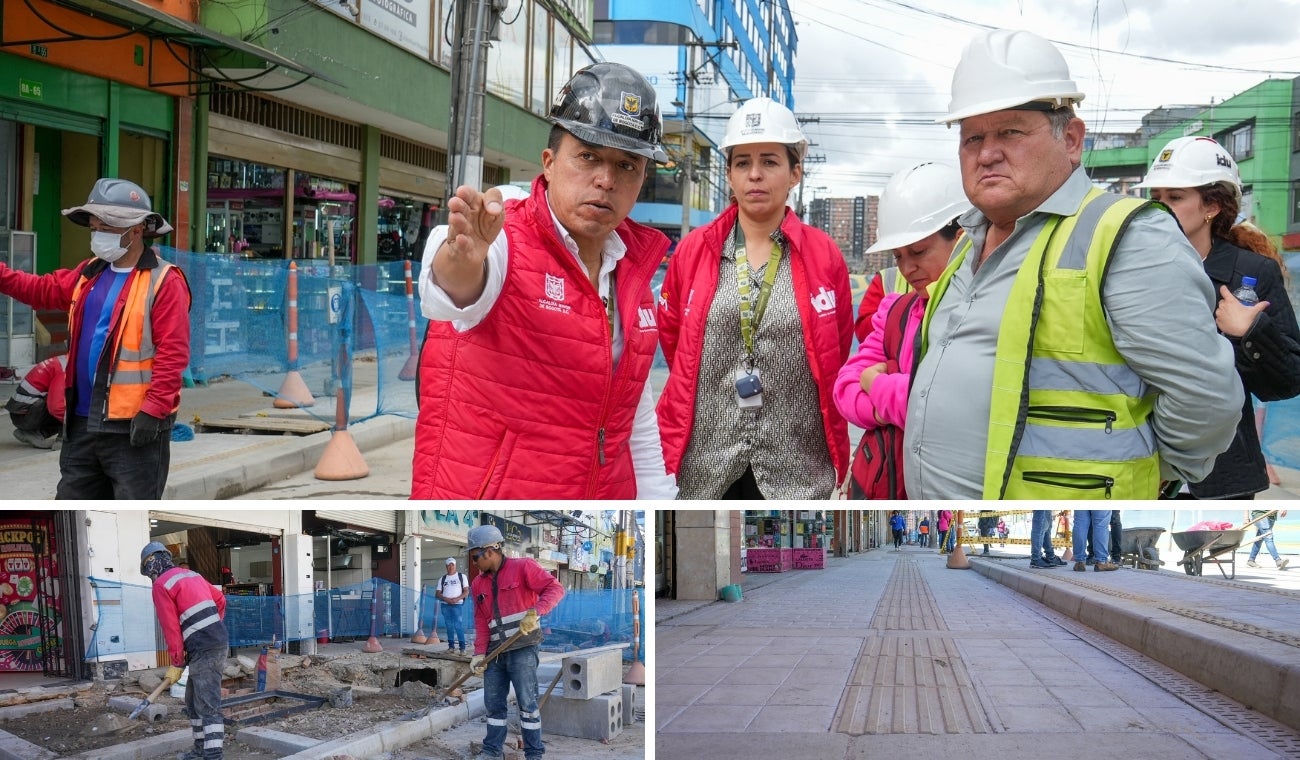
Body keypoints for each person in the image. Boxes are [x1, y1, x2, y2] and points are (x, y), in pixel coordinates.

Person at [904, 29, 1241, 500]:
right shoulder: (968, 241)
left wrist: (1156, 472)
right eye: (972, 137)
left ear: (1072, 140)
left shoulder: (1127, 237)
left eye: (1011, 131)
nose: (987, 153)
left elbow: (1206, 397)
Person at [411, 63, 676, 500]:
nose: (606, 180)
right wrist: (461, 256)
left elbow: (636, 417)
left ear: (642, 178)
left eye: (627, 165)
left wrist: (658, 502)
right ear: (549, 163)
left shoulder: (631, 271)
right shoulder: (505, 236)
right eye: (588, 156)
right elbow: (453, 294)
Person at [657, 97, 854, 499]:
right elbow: (676, 342)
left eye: (770, 161)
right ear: (729, 174)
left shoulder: (823, 255)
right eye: (742, 163)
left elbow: (836, 343)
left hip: (796, 468)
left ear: (795, 171)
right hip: (708, 463)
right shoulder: (694, 251)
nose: (755, 175)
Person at [0, 178, 190, 499]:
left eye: (107, 227)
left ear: (137, 229)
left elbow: (173, 353)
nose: (98, 234)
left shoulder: (164, 281)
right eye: (94, 227)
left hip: (133, 426)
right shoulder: (89, 273)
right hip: (82, 422)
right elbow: (39, 289)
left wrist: (154, 410)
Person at [1136, 136, 1300, 499]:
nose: (1161, 209)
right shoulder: (1132, 269)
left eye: (1175, 198)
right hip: (1141, 459)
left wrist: (1251, 331)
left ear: (1211, 205)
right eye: (1156, 198)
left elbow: (1287, 382)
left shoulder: (1250, 273)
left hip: (1224, 472)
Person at [833, 162, 969, 499]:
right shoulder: (895, 311)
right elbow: (844, 389)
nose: (908, 268)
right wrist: (889, 408)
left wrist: (876, 383)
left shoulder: (983, 314)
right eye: (897, 256)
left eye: (919, 252)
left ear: (962, 239)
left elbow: (946, 408)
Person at [465, 524, 565, 760]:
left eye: (476, 557)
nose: (474, 563)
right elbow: (481, 620)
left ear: (490, 550)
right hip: (494, 653)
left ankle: (533, 753)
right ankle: (491, 750)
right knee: (494, 706)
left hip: (523, 649)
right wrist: (479, 653)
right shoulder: (478, 584)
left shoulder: (523, 568)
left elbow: (554, 588)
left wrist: (536, 612)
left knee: (527, 704)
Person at [141, 542, 227, 760]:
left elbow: (170, 628)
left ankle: (214, 755)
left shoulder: (161, 584)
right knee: (192, 700)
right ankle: (200, 751)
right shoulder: (192, 575)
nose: (149, 576)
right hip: (213, 640)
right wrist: (212, 626)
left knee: (207, 703)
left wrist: (177, 661)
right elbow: (220, 599)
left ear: (151, 563)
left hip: (203, 646)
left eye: (147, 571)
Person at [4, 354, 67, 448]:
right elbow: (56, 407)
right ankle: (63, 441)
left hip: (21, 412)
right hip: (26, 414)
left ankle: (34, 434)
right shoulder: (66, 368)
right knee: (69, 404)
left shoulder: (66, 360)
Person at [436, 557, 469, 654]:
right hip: (445, 605)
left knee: (458, 626)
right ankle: (451, 647)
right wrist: (446, 599)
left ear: (455, 565)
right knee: (449, 626)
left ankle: (462, 648)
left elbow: (466, 591)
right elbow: (438, 593)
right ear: (446, 566)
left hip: (457, 605)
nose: (450, 566)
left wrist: (457, 599)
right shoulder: (442, 579)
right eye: (449, 565)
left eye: (452, 564)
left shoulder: (461, 576)